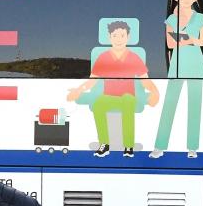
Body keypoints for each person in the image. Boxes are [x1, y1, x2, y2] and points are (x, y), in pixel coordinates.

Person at [67, 20, 160, 157]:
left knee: (128, 103)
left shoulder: (133, 57)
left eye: (122, 36)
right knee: (98, 104)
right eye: (115, 36)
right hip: (108, 96)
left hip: (127, 96)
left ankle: (128, 145)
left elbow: (145, 80)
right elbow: (92, 81)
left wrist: (154, 91)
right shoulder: (103, 57)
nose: (119, 39)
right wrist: (78, 90)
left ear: (128, 37)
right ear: (109, 37)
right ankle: (104, 143)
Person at [150, 0, 203, 159]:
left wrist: (186, 39)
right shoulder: (171, 19)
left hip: (196, 64)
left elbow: (202, 41)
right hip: (177, 64)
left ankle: (192, 148)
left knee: (194, 106)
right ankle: (160, 146)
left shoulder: (201, 18)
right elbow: (169, 43)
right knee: (169, 105)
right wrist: (189, 40)